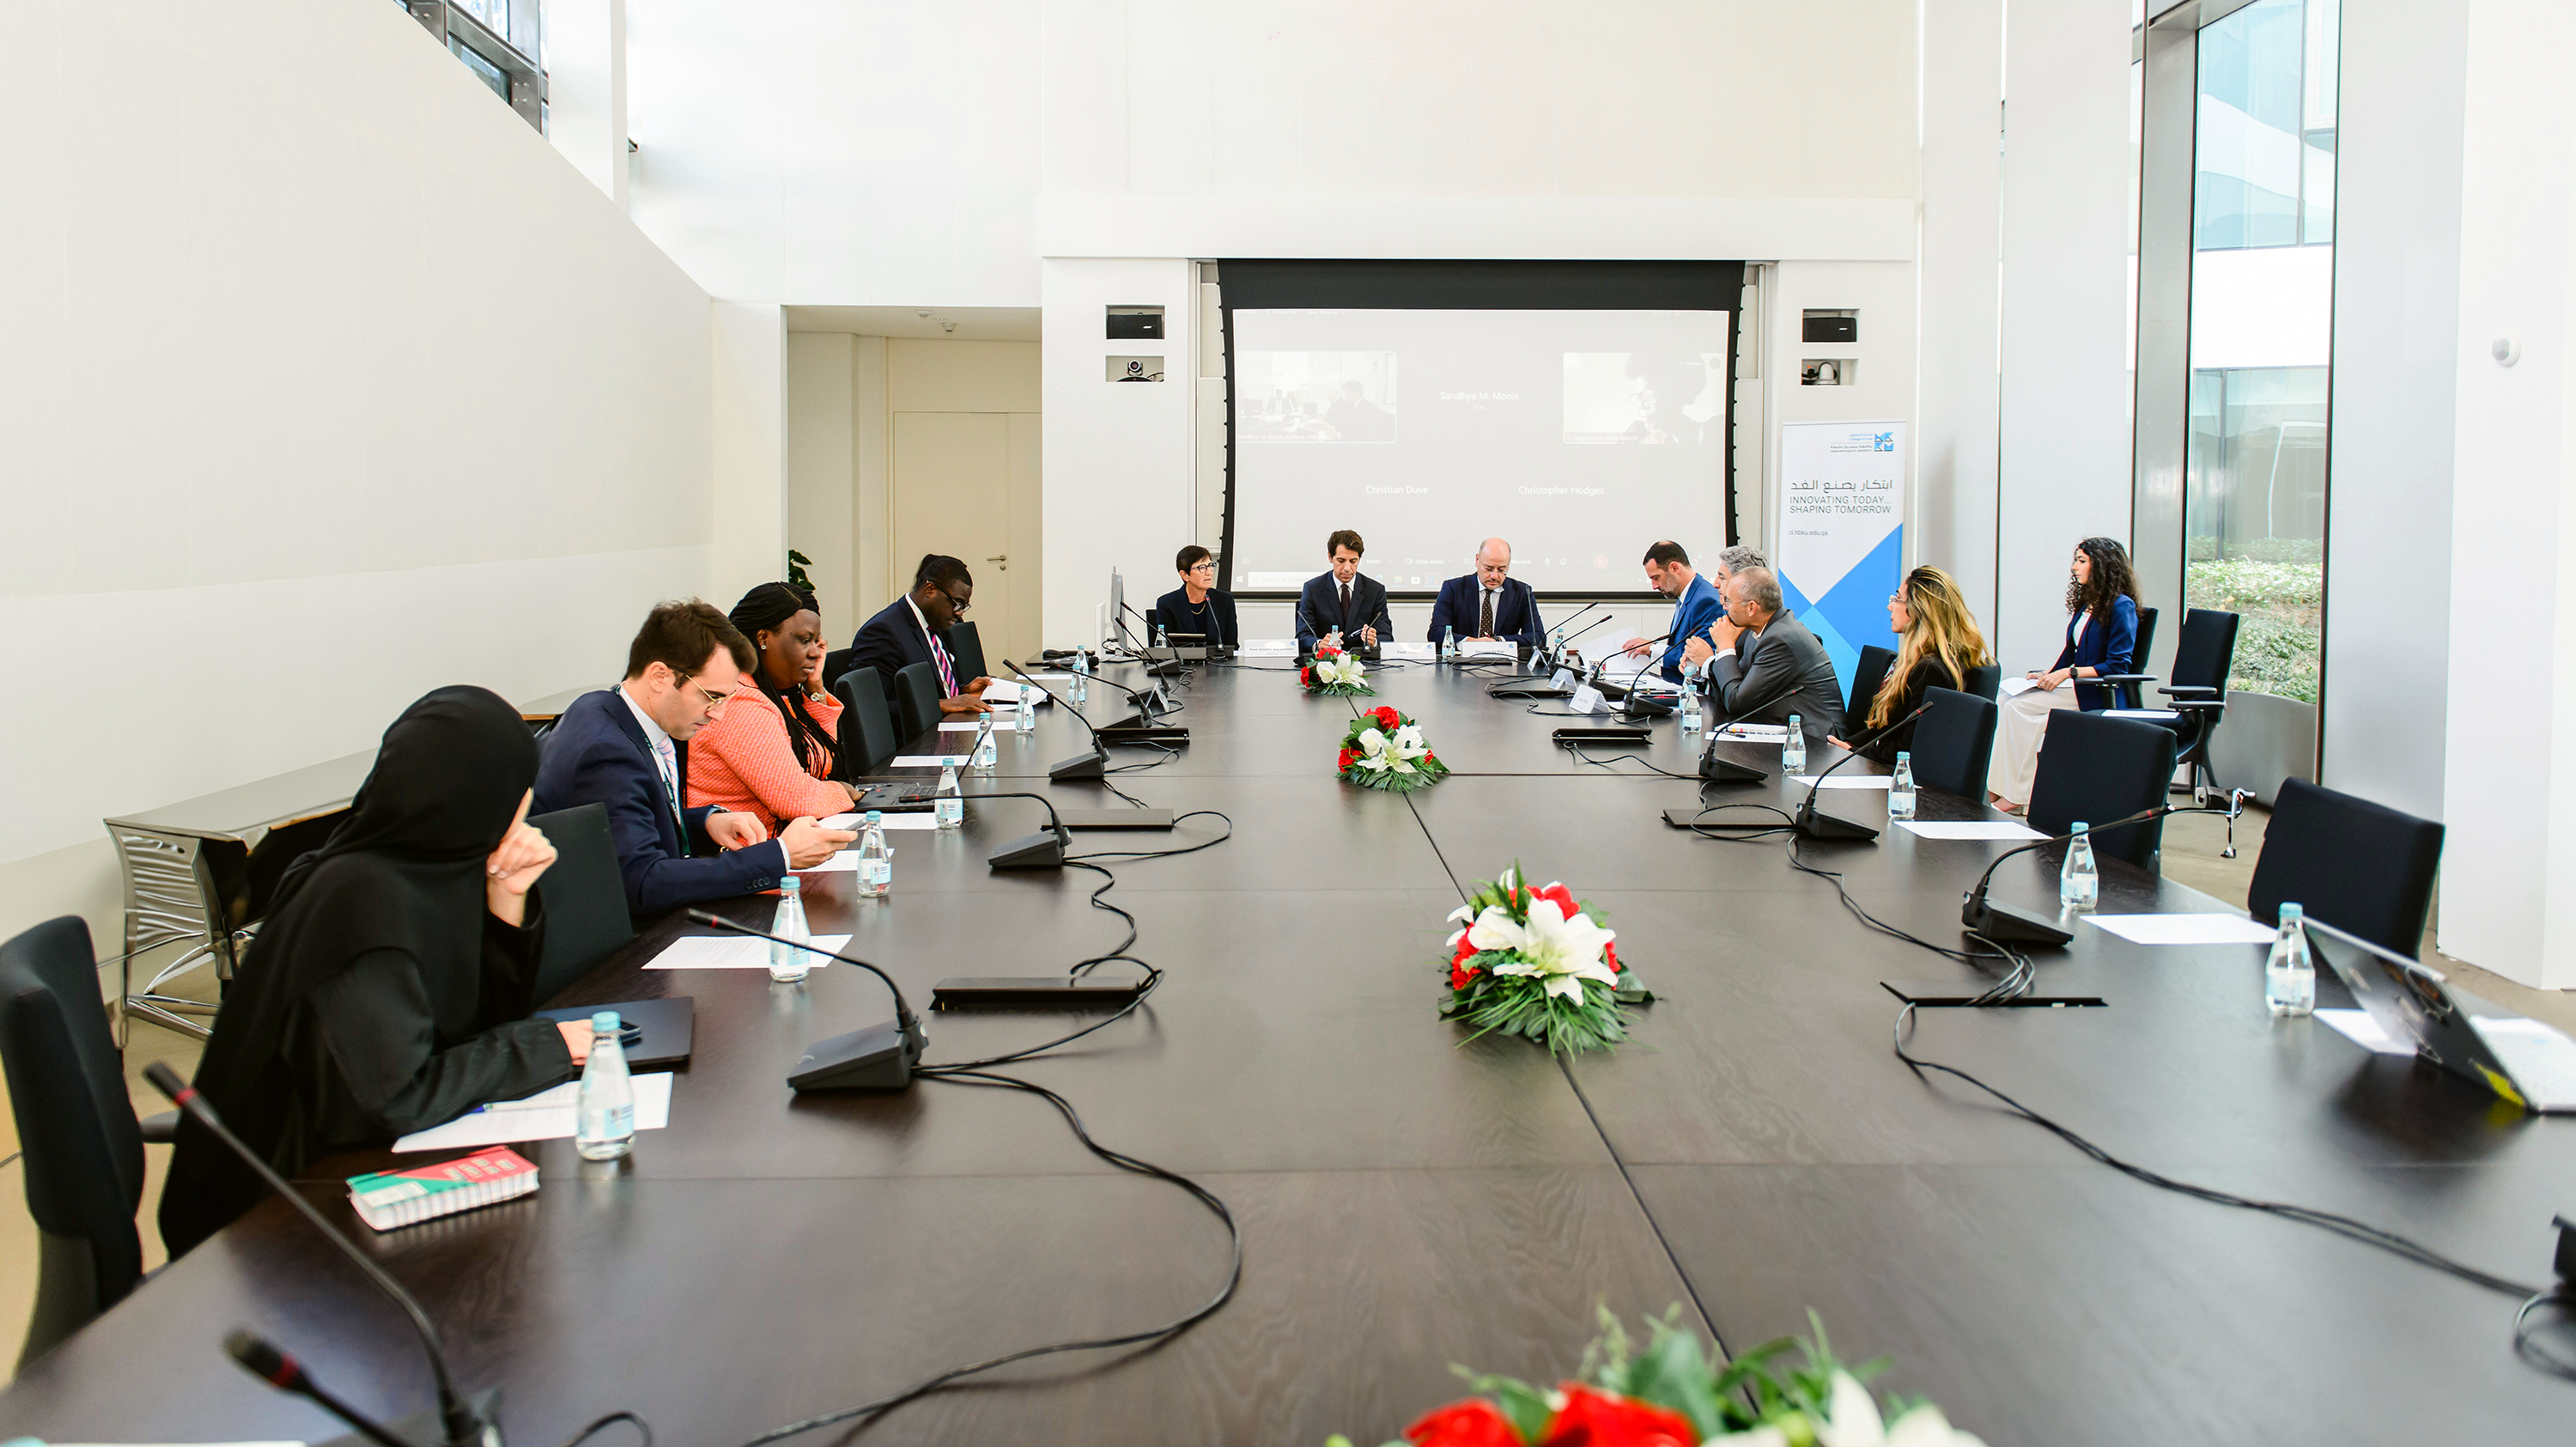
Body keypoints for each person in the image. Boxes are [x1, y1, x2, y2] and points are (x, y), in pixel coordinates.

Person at [161, 687, 594, 1257]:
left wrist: (504, 898)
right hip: (277, 1216)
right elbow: (400, 1095)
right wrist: (547, 1046)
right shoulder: (361, 900)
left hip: (335, 1165)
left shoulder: (427, 867)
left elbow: (475, 1023)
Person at [536, 600, 850, 915]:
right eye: (711, 697)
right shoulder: (607, 753)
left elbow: (619, 825)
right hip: (621, 942)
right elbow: (643, 882)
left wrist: (706, 821)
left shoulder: (608, 708)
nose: (718, 714)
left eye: (726, 699)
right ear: (660, 676)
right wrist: (779, 855)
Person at [689, 582, 859, 833]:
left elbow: (819, 767)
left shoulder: (774, 693)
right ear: (763, 638)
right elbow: (796, 800)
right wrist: (842, 791)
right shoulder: (741, 703)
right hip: (747, 857)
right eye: (804, 640)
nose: (815, 653)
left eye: (817, 642)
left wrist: (815, 689)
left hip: (772, 847)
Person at [1990, 537, 2142, 811]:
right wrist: (2048, 673)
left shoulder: (2122, 606)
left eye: (2081, 561)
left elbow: (2118, 666)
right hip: (2074, 686)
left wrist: (2067, 674)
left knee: (2017, 710)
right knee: (2004, 703)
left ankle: (2016, 795)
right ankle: (1998, 789)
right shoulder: (2087, 603)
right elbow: (2072, 651)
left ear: (2103, 566)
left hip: (2095, 693)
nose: (2074, 567)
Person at [1826, 566, 1994, 763]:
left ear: (1918, 609)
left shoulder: (1929, 670)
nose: (1890, 606)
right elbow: (1885, 729)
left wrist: (1854, 753)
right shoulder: (1923, 660)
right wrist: (1844, 745)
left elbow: (1911, 750)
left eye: (1897, 599)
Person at [1698, 566, 1844, 735]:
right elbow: (1733, 691)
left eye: (1728, 601)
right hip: (1783, 728)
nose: (1724, 607)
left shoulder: (1779, 639)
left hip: (1816, 741)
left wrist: (1725, 647)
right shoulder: (1763, 631)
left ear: (1751, 608)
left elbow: (1736, 701)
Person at [1620, 541, 1723, 684]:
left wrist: (1652, 648)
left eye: (1656, 578)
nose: (1654, 586)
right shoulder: (1687, 596)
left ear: (1675, 568)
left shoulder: (1705, 601)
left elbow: (1698, 659)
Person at [1427, 538, 1545, 647]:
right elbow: (1436, 633)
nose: (1494, 576)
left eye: (1501, 570)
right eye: (1489, 569)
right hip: (1459, 664)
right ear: (1477, 560)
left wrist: (1498, 641)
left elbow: (1538, 637)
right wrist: (1472, 643)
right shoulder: (1453, 589)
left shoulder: (1522, 592)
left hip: (1505, 665)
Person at [1296, 529, 1393, 654]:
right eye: (1341, 561)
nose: (1347, 568)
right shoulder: (1313, 589)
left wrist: (1374, 641)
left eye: (1353, 561)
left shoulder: (1375, 590)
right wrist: (1319, 643)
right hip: (1326, 665)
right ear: (1330, 557)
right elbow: (1303, 637)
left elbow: (1387, 637)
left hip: (1365, 666)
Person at [1154, 545, 1239, 648]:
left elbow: (1232, 646)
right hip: (1183, 664)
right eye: (1202, 568)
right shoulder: (1167, 604)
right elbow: (1168, 648)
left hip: (1220, 663)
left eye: (1210, 566)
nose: (1209, 573)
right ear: (1185, 575)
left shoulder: (1225, 600)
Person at [1323, 379, 1394, 441]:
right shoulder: (1352, 406)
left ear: (1356, 394)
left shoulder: (1368, 409)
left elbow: (1362, 435)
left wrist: (1338, 435)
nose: (1345, 397)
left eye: (1347, 394)